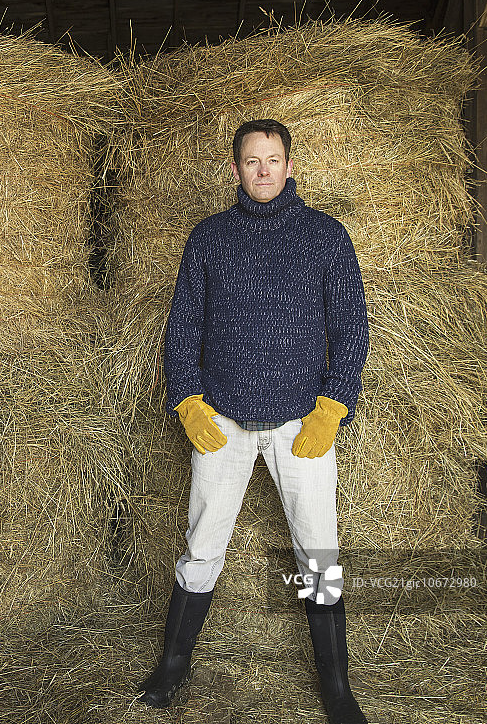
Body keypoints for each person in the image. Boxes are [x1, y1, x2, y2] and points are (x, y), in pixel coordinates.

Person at [138, 119, 370, 724]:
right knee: (203, 542)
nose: (263, 170)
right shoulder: (210, 238)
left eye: (273, 160)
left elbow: (349, 328)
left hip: (302, 420)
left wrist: (333, 405)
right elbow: (183, 326)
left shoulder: (326, 237)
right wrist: (187, 400)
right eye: (251, 161)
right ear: (236, 168)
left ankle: (337, 688)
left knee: (317, 548)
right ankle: (172, 666)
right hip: (224, 418)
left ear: (291, 167)